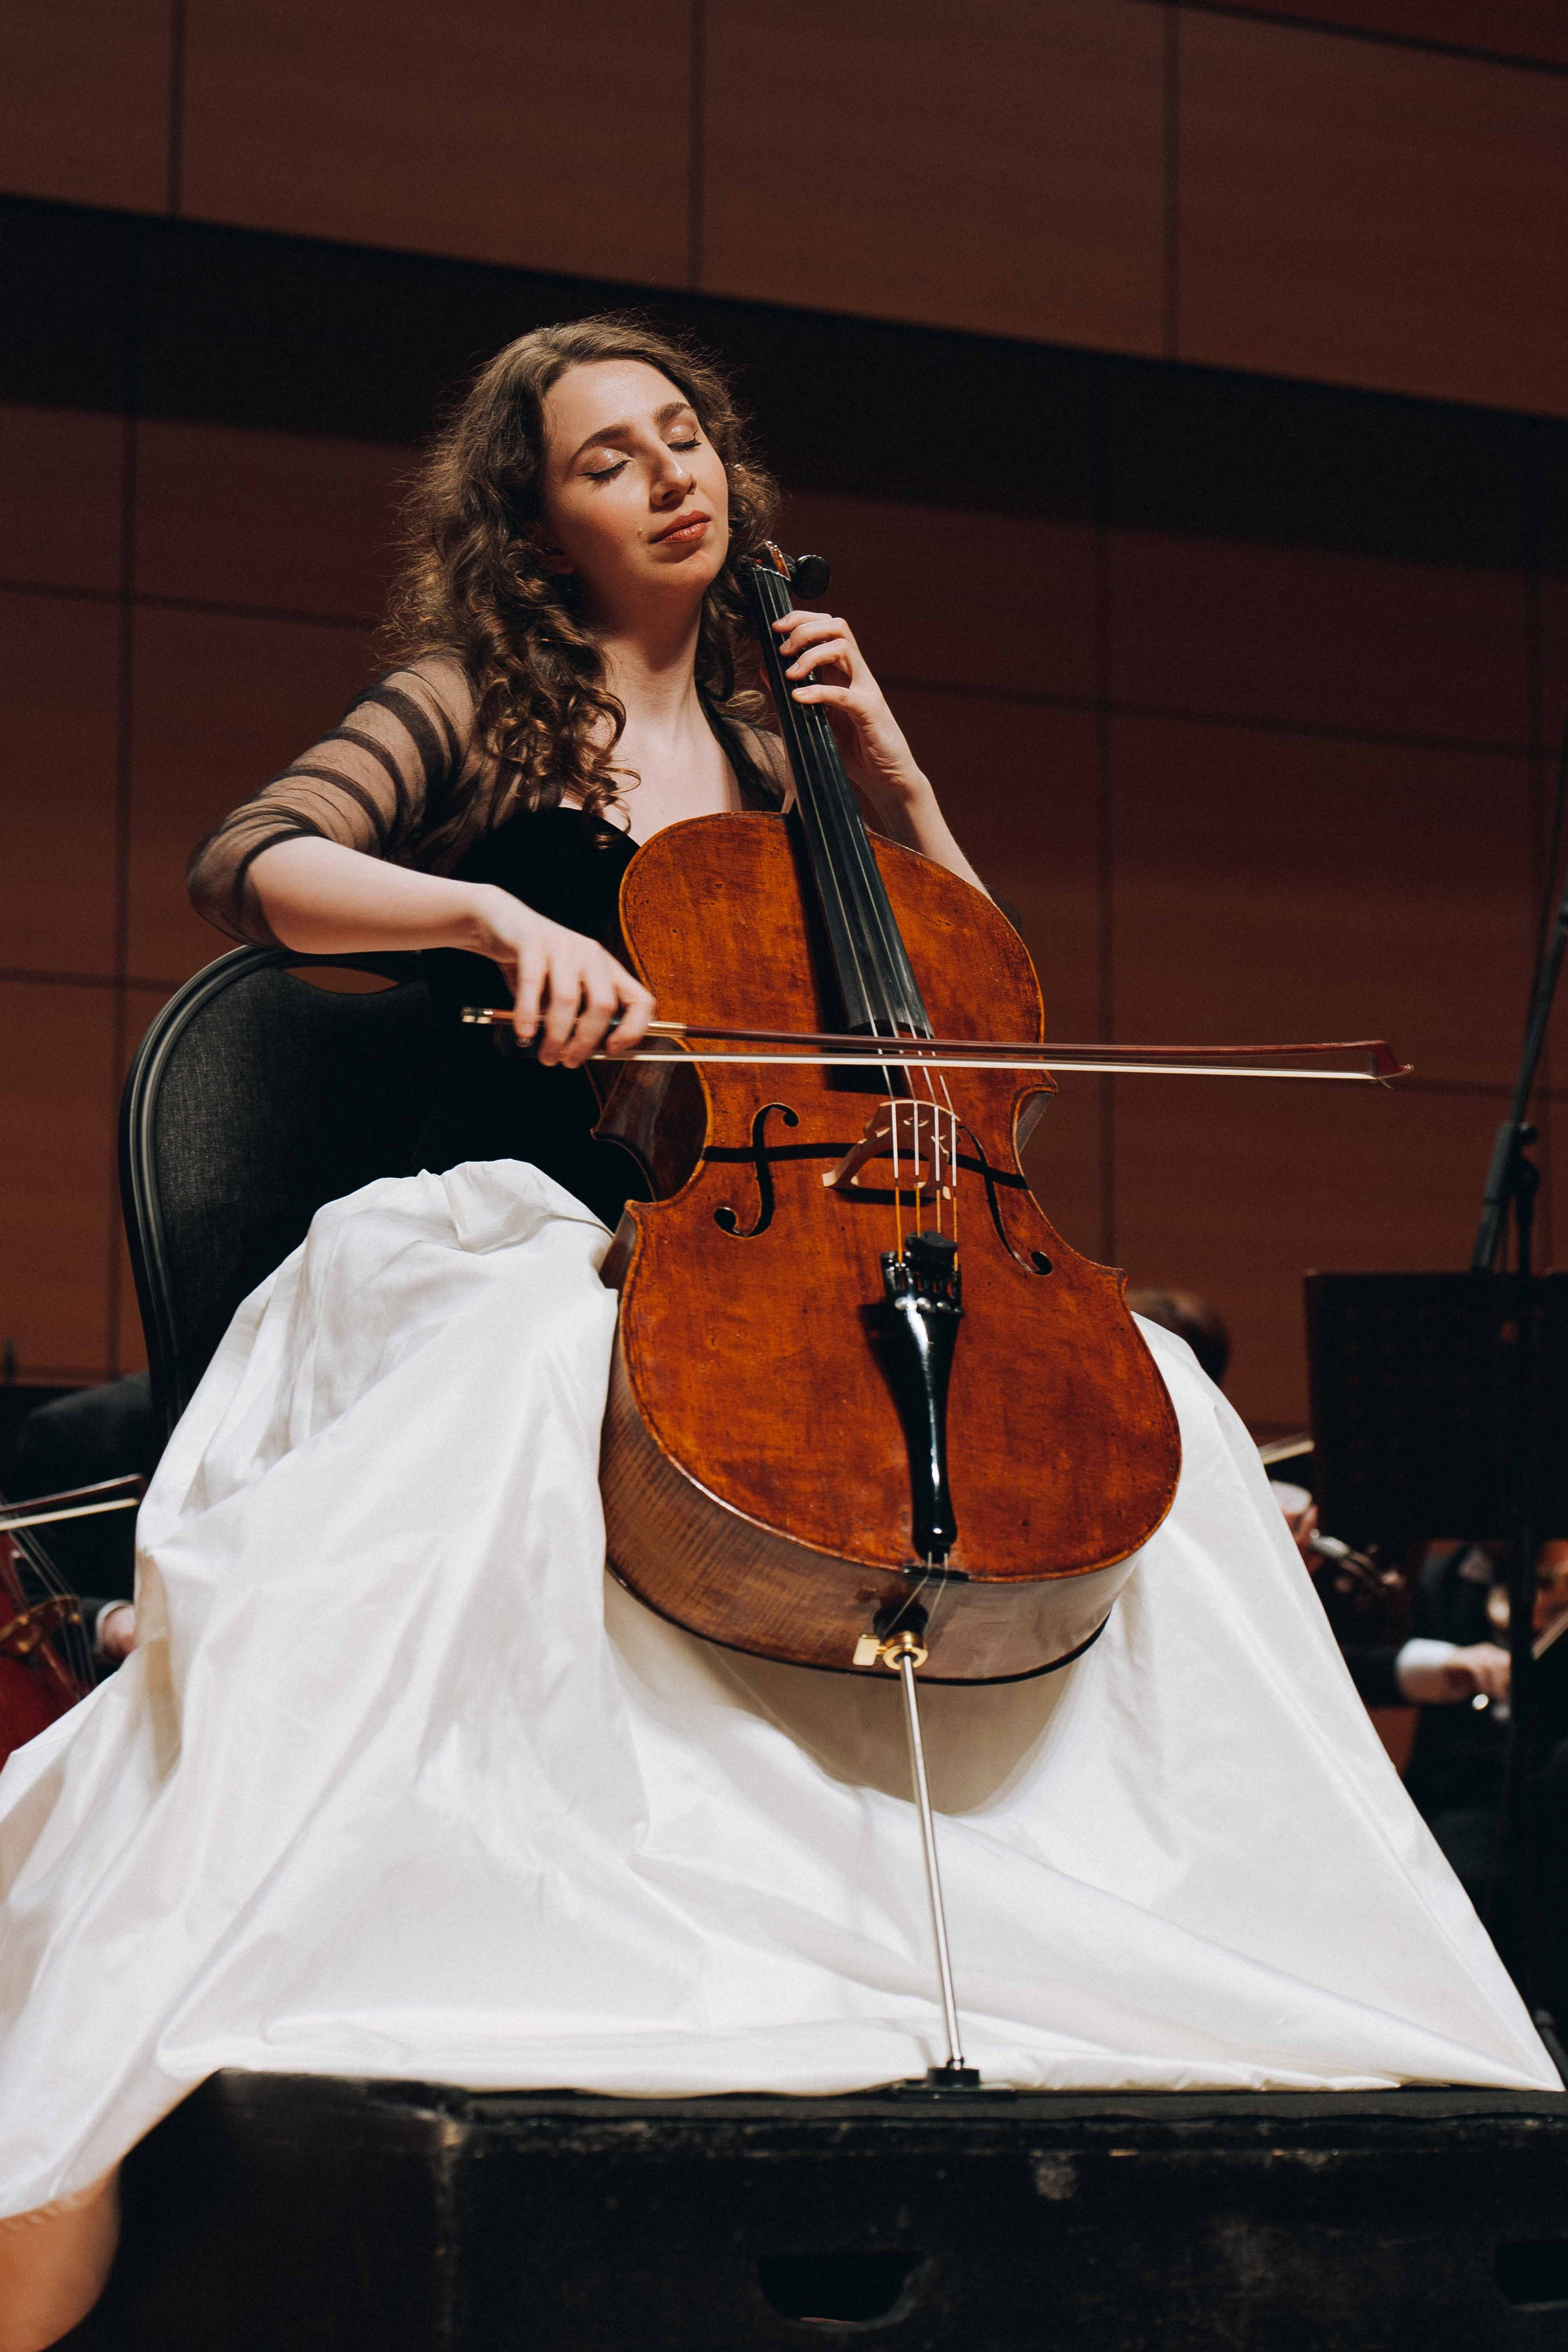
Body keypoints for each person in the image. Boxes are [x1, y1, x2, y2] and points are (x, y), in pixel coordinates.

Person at [0, 317, 1554, 2351]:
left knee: (1153, 1410)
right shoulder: (481, 704)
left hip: (775, 1240)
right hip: (523, 1228)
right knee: (536, 1387)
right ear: (532, 521)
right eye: (605, 459)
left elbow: (974, 1033)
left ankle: (1135, 1969)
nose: (668, 477)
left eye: (684, 439)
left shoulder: (780, 756)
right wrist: (490, 918)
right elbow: (255, 861)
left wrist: (892, 771)